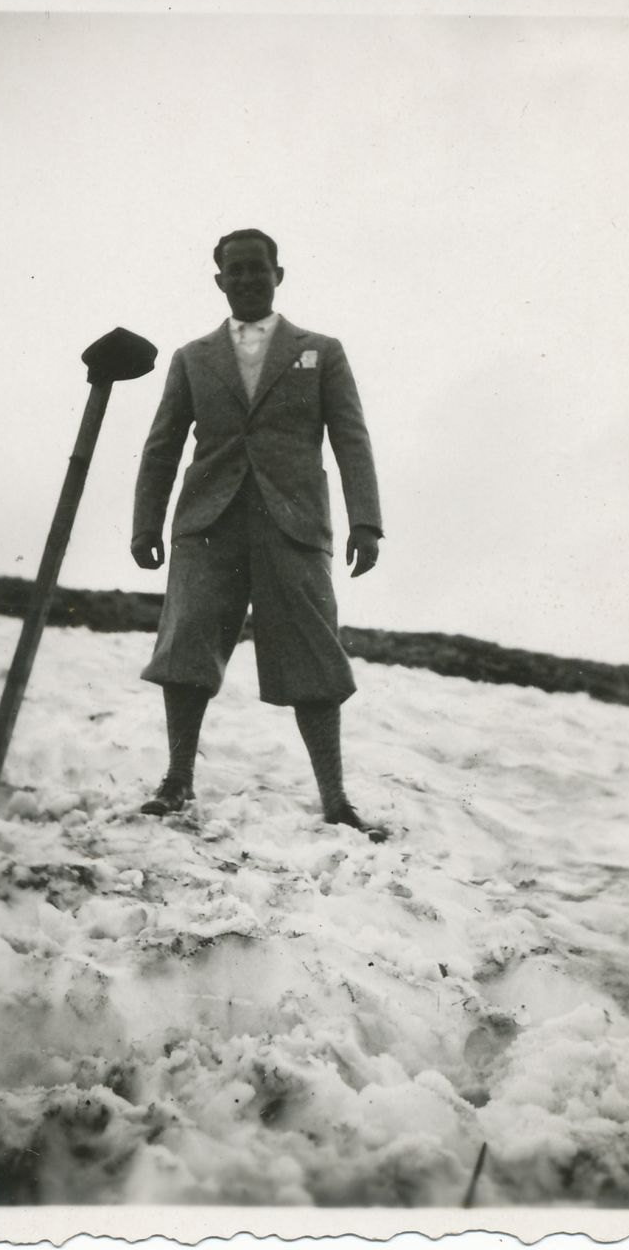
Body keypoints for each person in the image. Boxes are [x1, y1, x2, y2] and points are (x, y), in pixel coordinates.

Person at [131, 228, 385, 839]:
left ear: (279, 274)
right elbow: (163, 445)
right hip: (207, 526)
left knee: (313, 655)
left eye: (257, 268)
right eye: (235, 271)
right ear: (220, 280)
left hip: (292, 524)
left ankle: (335, 799)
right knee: (187, 647)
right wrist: (146, 524)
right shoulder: (192, 357)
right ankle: (177, 781)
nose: (247, 279)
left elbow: (351, 438)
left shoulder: (321, 351)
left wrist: (366, 522)